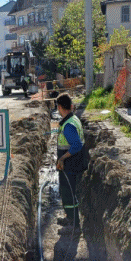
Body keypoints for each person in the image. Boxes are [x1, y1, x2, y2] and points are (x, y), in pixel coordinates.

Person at [55, 93, 85, 233]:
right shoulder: (73, 119)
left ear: (60, 107)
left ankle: (74, 225)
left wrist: (62, 158)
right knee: (67, 191)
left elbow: (76, 145)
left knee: (68, 193)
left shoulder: (68, 126)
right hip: (73, 162)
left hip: (71, 164)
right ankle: (69, 218)